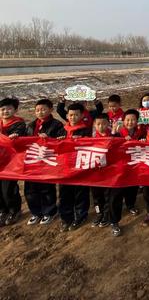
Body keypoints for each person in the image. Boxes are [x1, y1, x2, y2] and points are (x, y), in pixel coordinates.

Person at [24, 98, 65, 226]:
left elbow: (61, 143)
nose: (40, 112)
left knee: (46, 188)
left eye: (43, 109)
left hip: (47, 161)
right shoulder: (30, 125)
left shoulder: (57, 124)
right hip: (32, 161)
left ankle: (50, 212)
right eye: (37, 110)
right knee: (30, 189)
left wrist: (49, 139)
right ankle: (36, 212)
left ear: (50, 110)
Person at [58, 103, 91, 232]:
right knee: (64, 194)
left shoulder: (86, 129)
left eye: (76, 114)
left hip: (80, 167)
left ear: (82, 115)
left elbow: (93, 144)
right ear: (67, 116)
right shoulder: (62, 130)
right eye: (71, 115)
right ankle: (66, 218)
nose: (73, 117)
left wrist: (84, 140)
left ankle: (80, 216)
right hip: (64, 168)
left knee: (80, 193)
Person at [112, 109, 147, 216]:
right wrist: (114, 133)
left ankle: (130, 205)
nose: (130, 122)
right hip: (120, 166)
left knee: (132, 187)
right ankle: (117, 209)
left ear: (137, 121)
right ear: (123, 121)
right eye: (127, 120)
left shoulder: (141, 133)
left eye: (133, 120)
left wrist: (142, 141)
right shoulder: (118, 132)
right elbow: (111, 145)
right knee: (118, 188)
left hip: (134, 165)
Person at [0, 97, 26, 226]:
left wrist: (14, 136)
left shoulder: (19, 123)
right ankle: (2, 211)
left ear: (15, 110)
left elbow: (18, 138)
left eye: (9, 109)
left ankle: (14, 210)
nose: (5, 111)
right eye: (2, 109)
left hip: (10, 163)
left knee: (8, 189)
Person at [90, 114, 112, 229]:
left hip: (109, 173)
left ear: (108, 124)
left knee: (107, 195)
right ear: (94, 124)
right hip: (95, 173)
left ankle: (107, 214)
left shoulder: (114, 137)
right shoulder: (91, 138)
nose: (101, 126)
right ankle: (99, 212)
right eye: (98, 124)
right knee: (96, 196)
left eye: (104, 123)